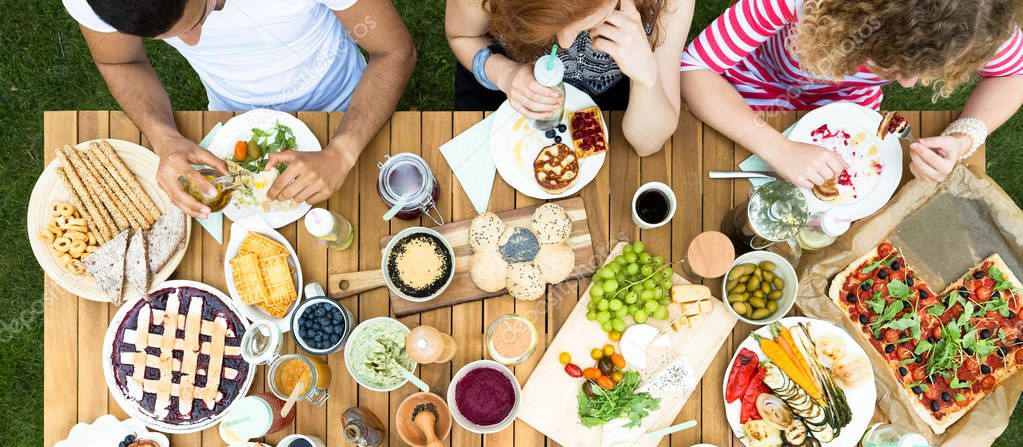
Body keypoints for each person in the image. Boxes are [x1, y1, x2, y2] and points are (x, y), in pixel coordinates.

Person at [62, 0, 416, 218]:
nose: (192, 41)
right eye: (170, 38)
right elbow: (120, 63)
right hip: (229, 118)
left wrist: (343, 151)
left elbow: (393, 52)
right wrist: (164, 137)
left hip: (347, 106)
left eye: (201, 17)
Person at [679, 0, 1023, 188]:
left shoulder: (975, 20)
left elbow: (1014, 75)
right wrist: (777, 147)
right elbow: (695, 69)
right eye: (889, 60)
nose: (905, 84)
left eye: (923, 70)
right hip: (756, 79)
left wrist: (963, 138)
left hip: (851, 101)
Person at [446, 0, 692, 156]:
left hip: (612, 103)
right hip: (500, 91)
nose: (564, 43)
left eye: (582, 23)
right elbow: (462, 36)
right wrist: (504, 74)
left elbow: (646, 144)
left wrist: (646, 77)